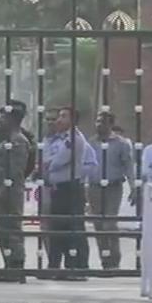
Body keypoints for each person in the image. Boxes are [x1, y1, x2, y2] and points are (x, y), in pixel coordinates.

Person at [43, 108, 98, 278]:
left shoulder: (73, 138)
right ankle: (57, 266)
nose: (58, 120)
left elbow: (58, 161)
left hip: (70, 188)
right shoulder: (58, 139)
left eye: (63, 116)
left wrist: (48, 163)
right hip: (58, 188)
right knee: (58, 228)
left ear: (73, 120)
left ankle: (78, 267)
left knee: (73, 228)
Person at [0, 103, 30, 279]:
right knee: (3, 230)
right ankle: (8, 265)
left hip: (9, 193)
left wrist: (4, 186)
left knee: (12, 229)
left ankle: (16, 266)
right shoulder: (7, 140)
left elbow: (16, 169)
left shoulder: (18, 141)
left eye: (3, 117)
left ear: (12, 120)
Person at [88, 112, 135, 270]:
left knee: (109, 223)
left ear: (110, 124)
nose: (98, 125)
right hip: (94, 187)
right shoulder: (91, 142)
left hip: (113, 187)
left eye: (102, 122)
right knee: (98, 225)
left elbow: (128, 166)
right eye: (97, 121)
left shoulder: (121, 144)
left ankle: (114, 259)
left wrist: (133, 186)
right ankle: (105, 259)